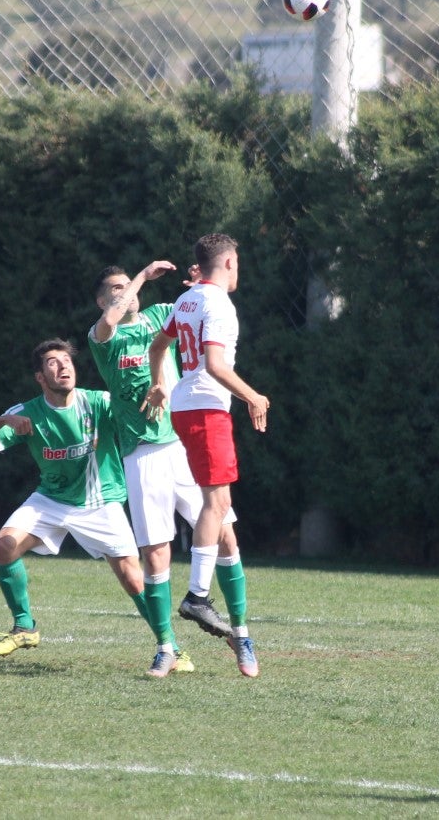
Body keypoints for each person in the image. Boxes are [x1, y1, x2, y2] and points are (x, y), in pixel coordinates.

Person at [0, 337, 169, 676]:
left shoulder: (99, 402)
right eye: (52, 364)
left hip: (100, 501)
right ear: (40, 378)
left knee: (133, 579)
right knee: (4, 545)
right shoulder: (25, 412)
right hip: (51, 499)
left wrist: (155, 390)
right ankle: (24, 626)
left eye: (66, 361)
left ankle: (171, 647)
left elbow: (137, 421)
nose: (63, 367)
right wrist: (2, 421)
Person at [88, 260, 243, 674]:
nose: (127, 293)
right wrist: (139, 276)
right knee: (156, 555)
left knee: (225, 533)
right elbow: (110, 318)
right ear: (103, 301)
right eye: (116, 289)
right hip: (141, 453)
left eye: (129, 287)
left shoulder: (160, 315)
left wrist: (200, 288)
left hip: (183, 444)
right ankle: (166, 646)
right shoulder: (104, 337)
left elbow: (204, 313)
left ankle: (241, 634)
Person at [146, 233, 269, 678]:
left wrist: (161, 382)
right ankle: (197, 595)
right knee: (216, 505)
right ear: (230, 262)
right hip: (205, 407)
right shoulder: (217, 304)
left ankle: (240, 635)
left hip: (185, 406)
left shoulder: (186, 301)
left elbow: (158, 347)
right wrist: (253, 396)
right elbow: (216, 365)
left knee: (226, 528)